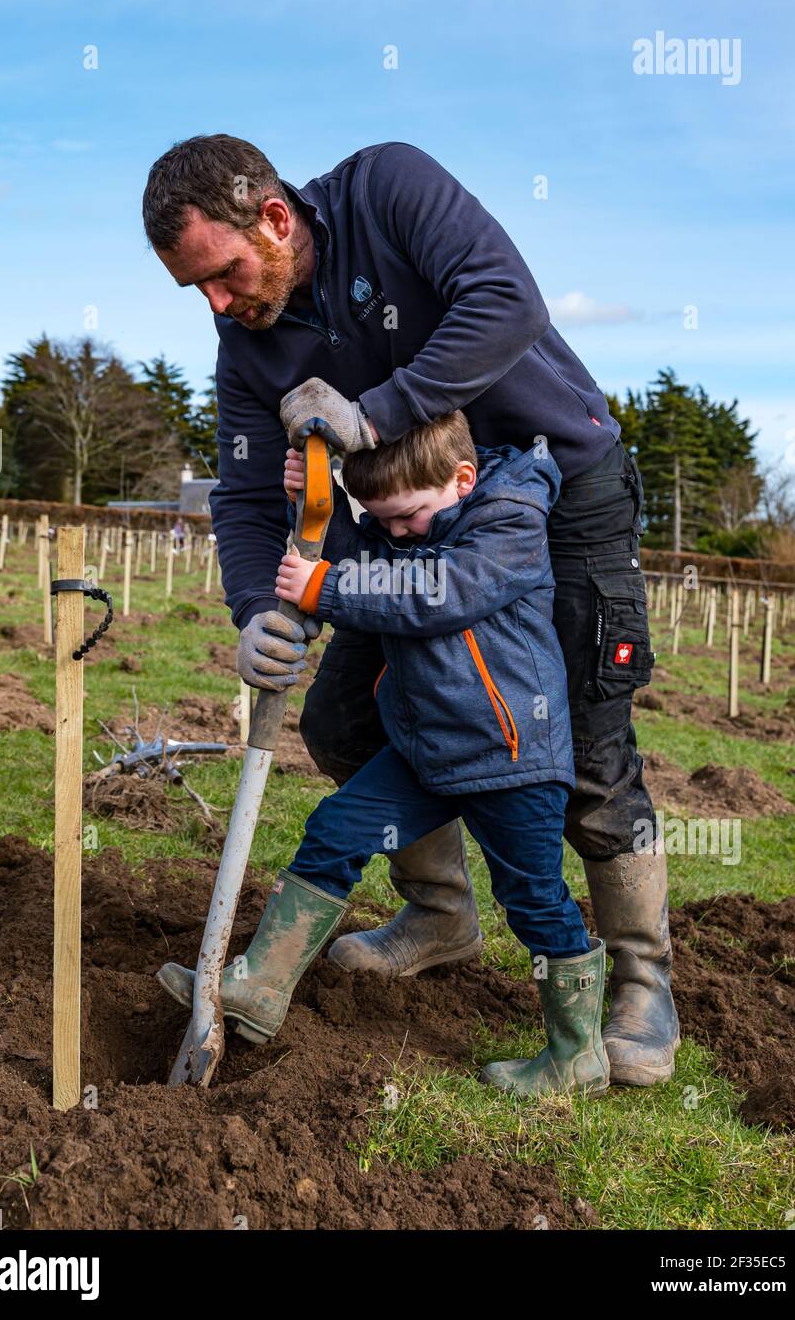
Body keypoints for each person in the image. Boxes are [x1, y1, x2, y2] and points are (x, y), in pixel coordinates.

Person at [143, 135, 679, 1086]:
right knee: (348, 720)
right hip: (409, 537)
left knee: (588, 750)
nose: (219, 306)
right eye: (199, 293)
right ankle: (438, 915)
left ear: (273, 218)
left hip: (557, 490)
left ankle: (640, 977)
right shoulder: (248, 341)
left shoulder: (388, 190)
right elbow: (247, 496)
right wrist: (251, 610)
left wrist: (378, 413)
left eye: (221, 276)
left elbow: (506, 304)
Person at [158, 413, 609, 1099]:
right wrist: (315, 503)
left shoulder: (509, 524)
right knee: (336, 828)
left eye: (406, 517)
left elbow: (433, 592)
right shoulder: (414, 518)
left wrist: (326, 588)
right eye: (382, 520)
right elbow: (371, 559)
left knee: (533, 899)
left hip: (511, 754)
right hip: (427, 750)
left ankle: (577, 1056)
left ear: (462, 479)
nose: (396, 531)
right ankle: (259, 986)